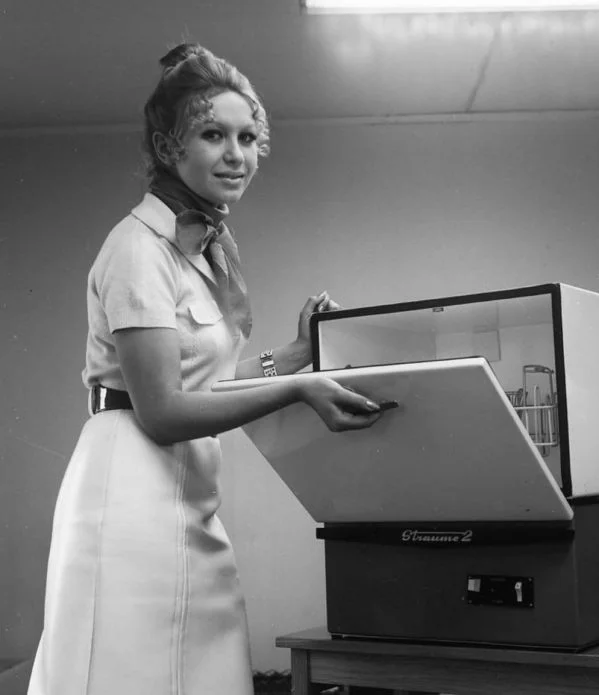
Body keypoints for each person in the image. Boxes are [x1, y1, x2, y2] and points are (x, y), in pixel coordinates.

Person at [27, 42, 382, 695]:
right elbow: (163, 410)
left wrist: (293, 354)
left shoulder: (200, 251)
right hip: (128, 489)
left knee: (204, 671)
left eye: (248, 137)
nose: (236, 154)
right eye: (213, 134)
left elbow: (197, 381)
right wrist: (297, 388)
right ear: (169, 147)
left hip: (184, 491)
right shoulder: (138, 249)